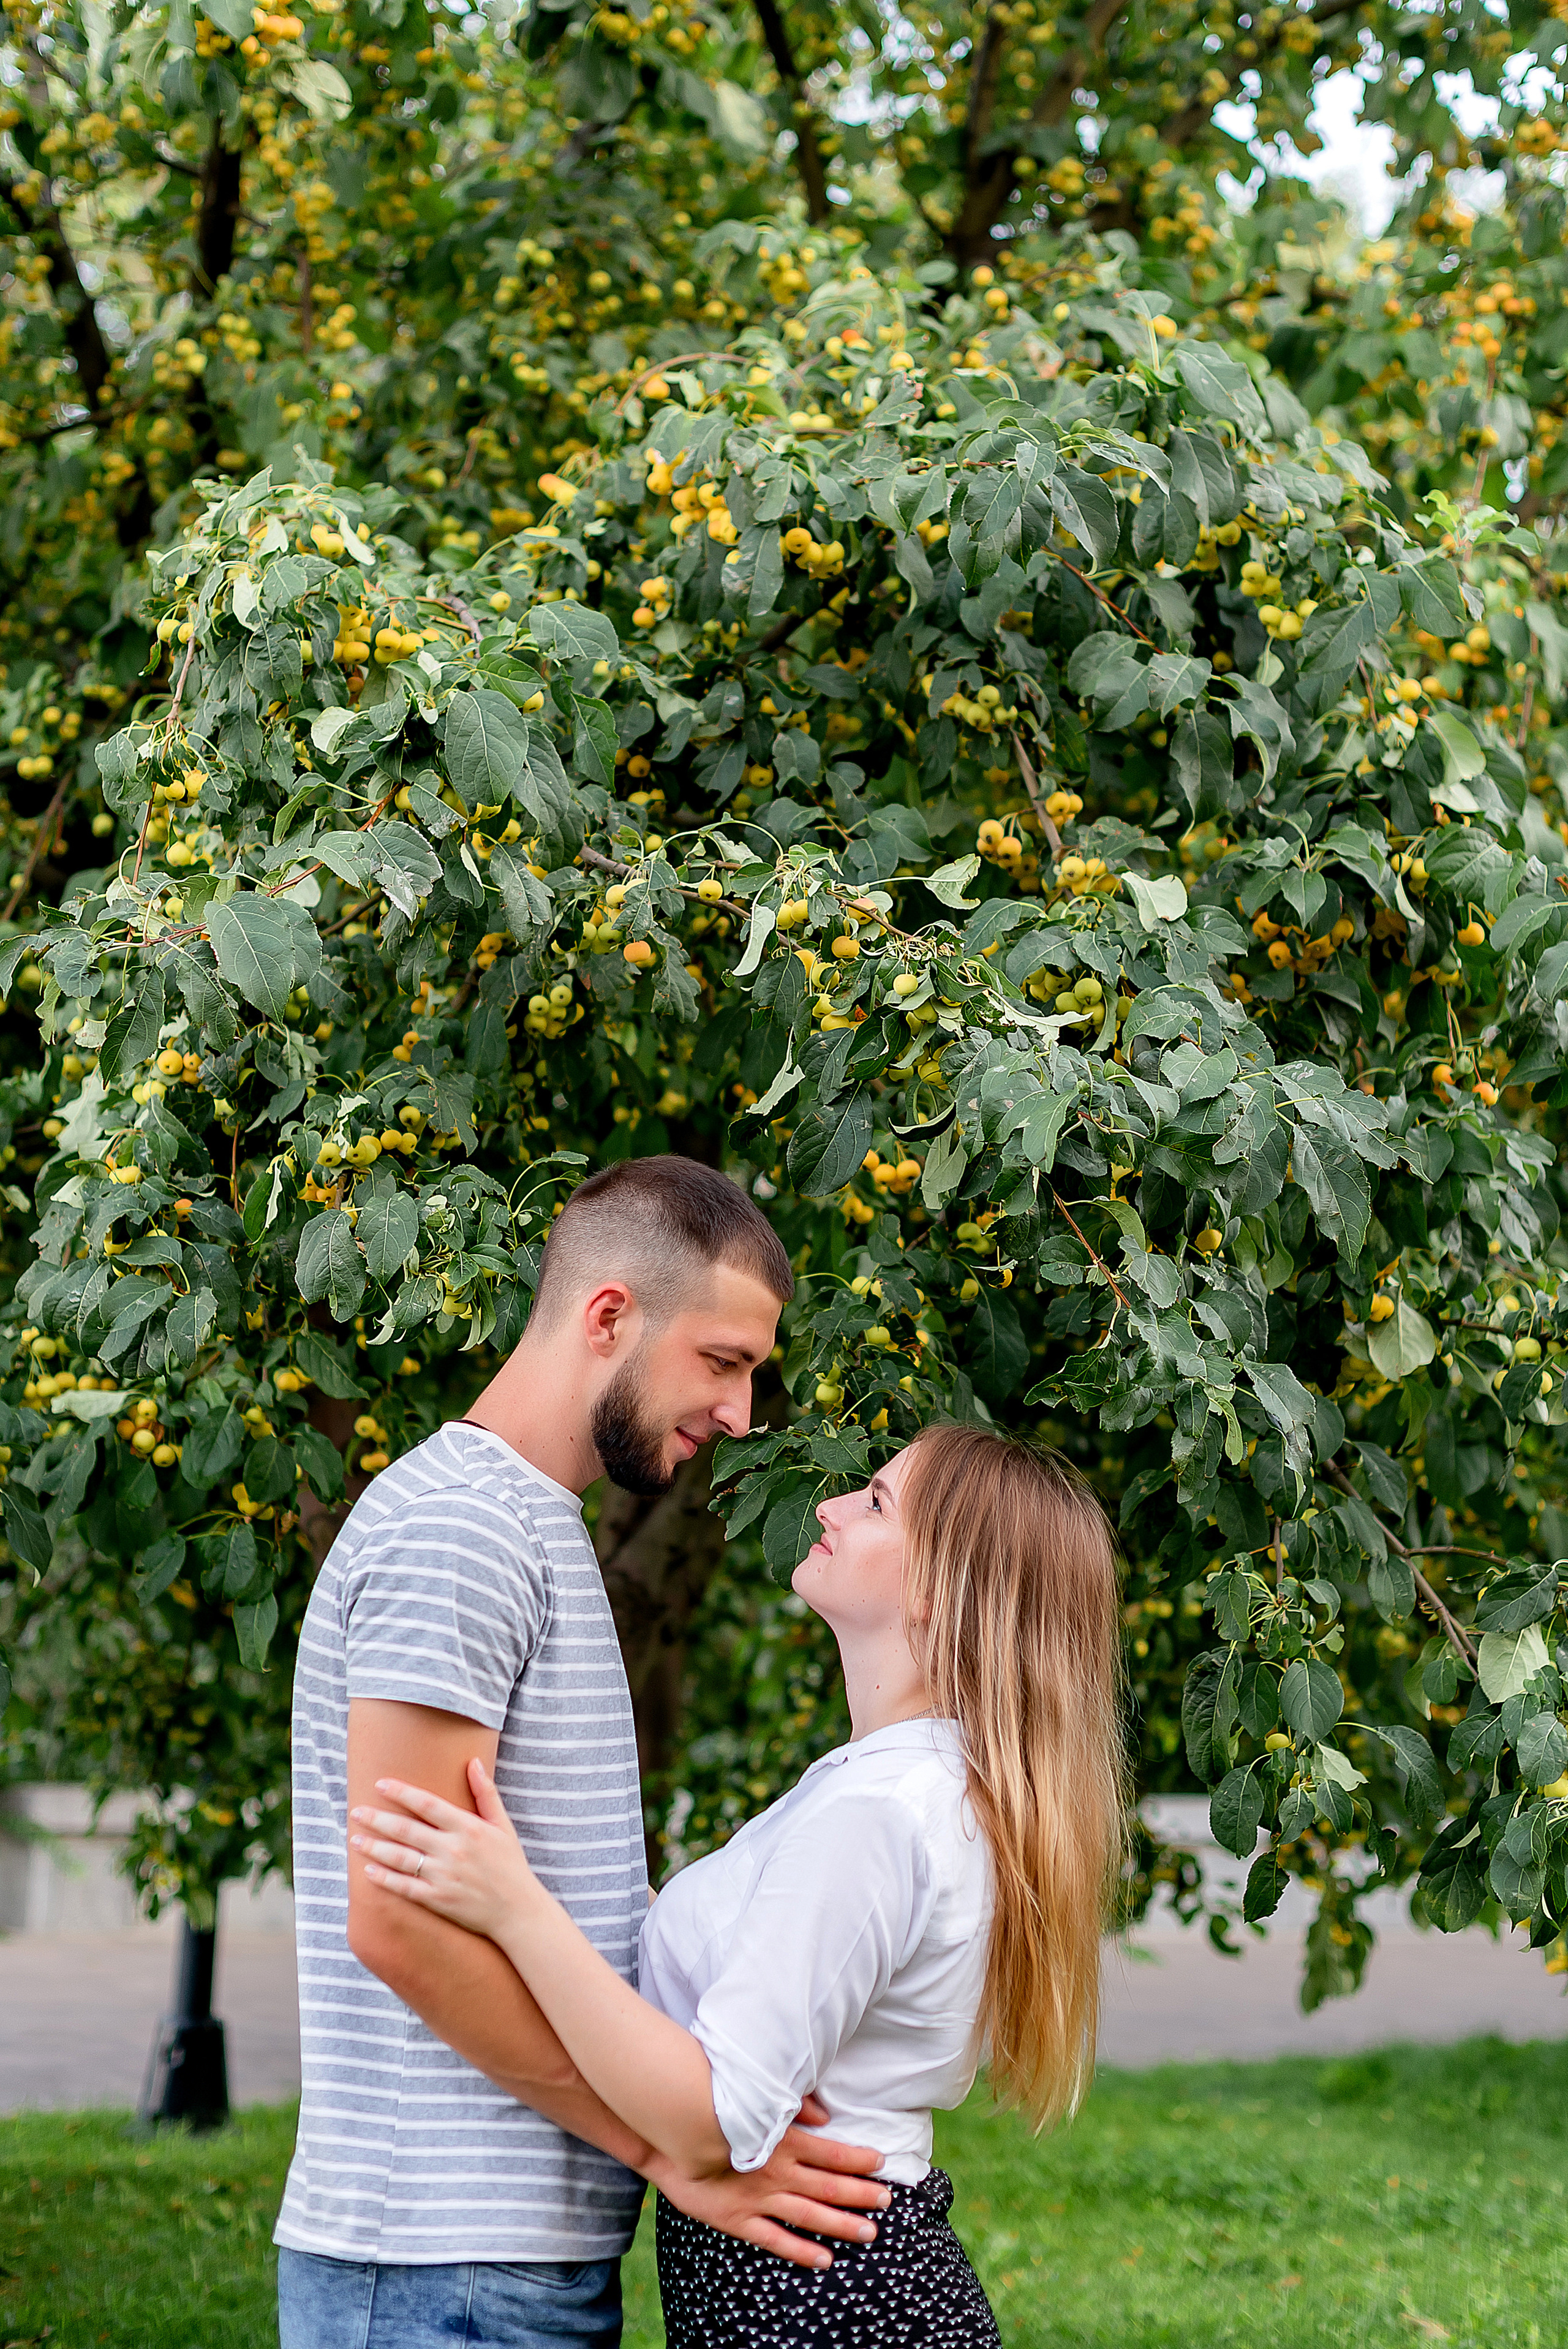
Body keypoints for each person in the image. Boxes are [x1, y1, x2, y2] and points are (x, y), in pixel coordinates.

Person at [276, 1156, 892, 2349]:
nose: (740, 1414)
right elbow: (398, 1923)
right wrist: (665, 2152)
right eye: (722, 1362)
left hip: (501, 2267)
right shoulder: (459, 1530)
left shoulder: (529, 1523)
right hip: (437, 2269)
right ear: (609, 1316)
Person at [350, 1421, 1131, 2347]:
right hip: (827, 2283)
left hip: (825, 2300)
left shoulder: (879, 1812)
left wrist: (516, 1907)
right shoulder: (911, 1787)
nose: (831, 1506)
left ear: (942, 1587)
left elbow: (718, 2119)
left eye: (876, 1502)